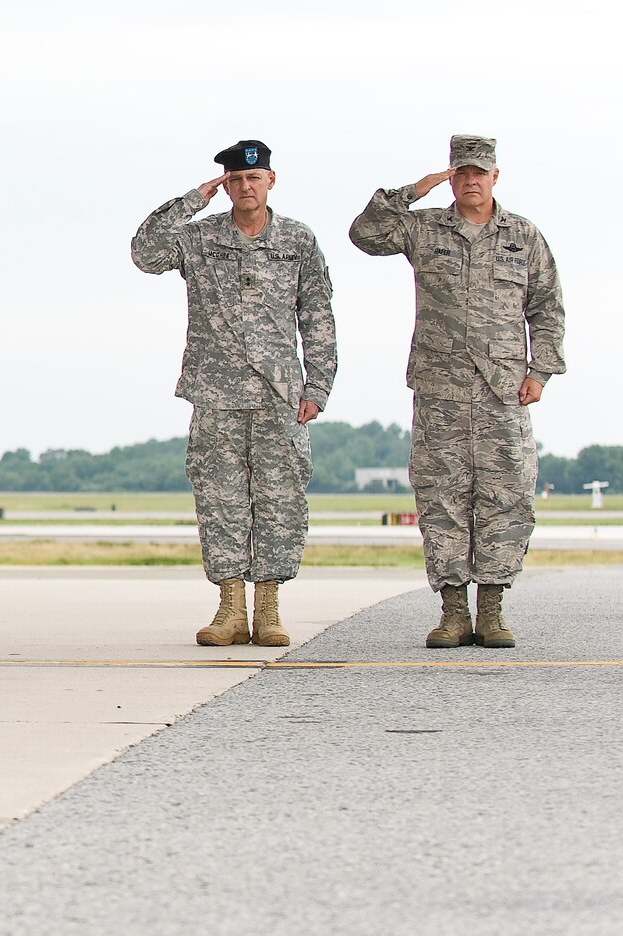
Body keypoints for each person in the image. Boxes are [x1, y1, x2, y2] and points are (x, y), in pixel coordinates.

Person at [349, 135, 564, 649]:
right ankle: (452, 612)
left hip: (503, 392)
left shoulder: (523, 236)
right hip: (440, 390)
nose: (471, 179)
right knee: (441, 498)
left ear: (495, 177)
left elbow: (547, 307)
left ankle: (491, 610)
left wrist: (542, 370)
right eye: (461, 171)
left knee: (506, 496)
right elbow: (364, 235)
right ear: (452, 175)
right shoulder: (425, 229)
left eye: (480, 171)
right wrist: (411, 191)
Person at [130, 139, 338, 647]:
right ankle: (228, 609)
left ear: (271, 180)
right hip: (216, 391)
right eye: (235, 180)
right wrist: (191, 200)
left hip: (280, 395)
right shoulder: (199, 238)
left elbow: (317, 315)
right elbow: (145, 253)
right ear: (226, 185)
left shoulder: (297, 240)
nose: (246, 187)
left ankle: (268, 609)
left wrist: (319, 385)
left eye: (254, 178)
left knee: (279, 500)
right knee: (220, 500)